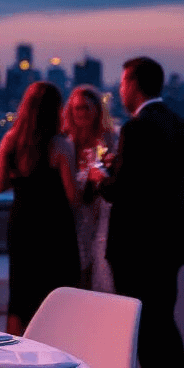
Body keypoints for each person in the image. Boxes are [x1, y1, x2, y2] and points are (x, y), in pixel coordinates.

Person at [90, 56, 184, 368]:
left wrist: (101, 177)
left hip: (138, 246)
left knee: (150, 331)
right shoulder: (182, 127)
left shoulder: (137, 128)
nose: (120, 89)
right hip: (170, 242)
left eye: (123, 82)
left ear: (135, 84)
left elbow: (124, 191)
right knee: (164, 327)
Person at [0, 81, 80, 335]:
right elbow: (72, 196)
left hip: (22, 225)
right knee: (55, 294)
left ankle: (14, 357)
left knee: (20, 296)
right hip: (54, 228)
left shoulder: (10, 140)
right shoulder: (61, 145)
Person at [62, 85, 116, 294]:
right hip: (75, 214)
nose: (81, 113)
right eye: (76, 109)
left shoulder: (110, 139)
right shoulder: (66, 142)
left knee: (101, 267)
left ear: (97, 110)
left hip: (102, 212)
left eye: (86, 108)